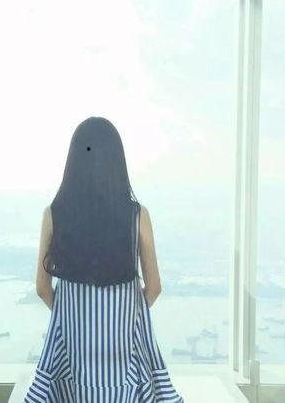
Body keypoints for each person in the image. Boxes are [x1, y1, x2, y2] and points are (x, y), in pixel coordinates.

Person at [24, 116, 184, 402]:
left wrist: (73, 319)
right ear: (117, 163)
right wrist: (123, 319)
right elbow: (154, 287)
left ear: (73, 162)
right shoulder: (138, 216)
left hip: (73, 354)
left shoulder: (54, 214)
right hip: (123, 355)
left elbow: (42, 288)